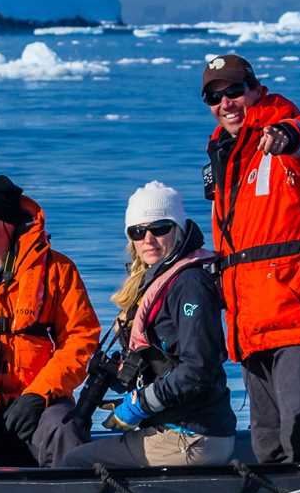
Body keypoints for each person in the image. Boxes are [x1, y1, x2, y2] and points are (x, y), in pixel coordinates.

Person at [199, 53, 300, 462]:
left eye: (234, 91)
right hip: (249, 320)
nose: (225, 103)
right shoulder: (224, 155)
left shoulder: (283, 130)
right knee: (269, 446)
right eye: (214, 97)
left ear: (254, 89)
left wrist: (288, 136)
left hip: (298, 314)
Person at [59, 182, 237, 468]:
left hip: (194, 436)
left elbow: (198, 369)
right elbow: (160, 363)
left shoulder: (190, 285)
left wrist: (140, 405)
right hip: (174, 427)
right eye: (138, 232)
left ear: (177, 230)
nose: (149, 240)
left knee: (75, 463)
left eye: (160, 228)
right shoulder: (155, 282)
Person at [0, 174, 100, 466]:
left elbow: (81, 338)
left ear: (4, 222)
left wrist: (39, 394)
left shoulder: (57, 270)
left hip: (38, 402)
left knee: (63, 430)